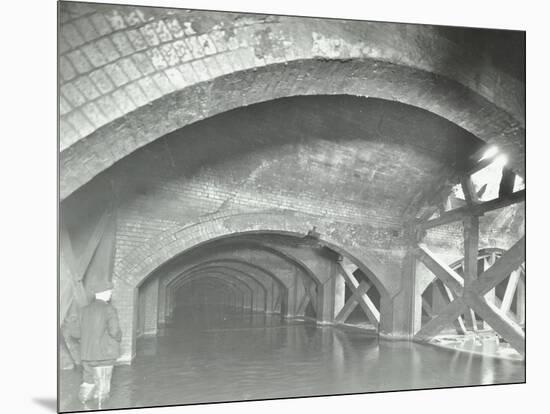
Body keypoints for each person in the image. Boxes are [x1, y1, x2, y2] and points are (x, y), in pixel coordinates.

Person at [69, 280, 122, 405]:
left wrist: (87, 340)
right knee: (102, 387)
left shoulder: (83, 310)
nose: (110, 294)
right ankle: (100, 407)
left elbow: (75, 333)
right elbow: (114, 331)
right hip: (104, 356)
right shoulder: (109, 309)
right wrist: (119, 338)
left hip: (86, 355)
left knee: (88, 381)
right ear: (105, 293)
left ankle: (82, 404)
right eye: (109, 292)